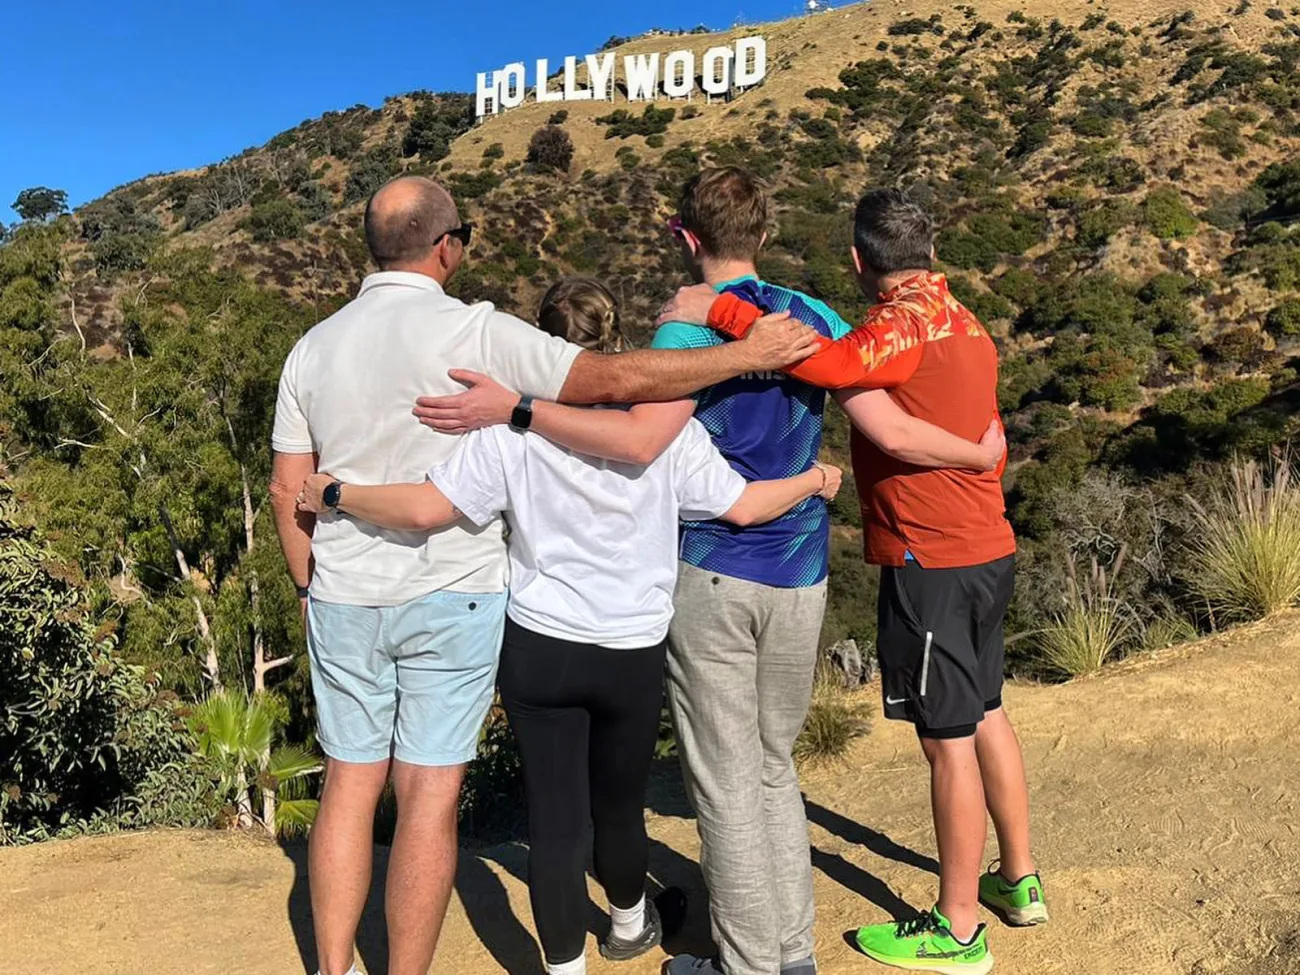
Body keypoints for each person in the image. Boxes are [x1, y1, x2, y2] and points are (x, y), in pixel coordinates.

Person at [413, 168, 1006, 975]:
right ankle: (789, 951)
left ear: (684, 237)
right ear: (763, 233)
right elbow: (882, 419)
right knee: (771, 769)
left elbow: (635, 444)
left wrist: (515, 408)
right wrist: (975, 448)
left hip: (716, 572)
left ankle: (748, 963)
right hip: (800, 576)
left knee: (725, 785)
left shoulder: (685, 336)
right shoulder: (819, 317)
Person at [267, 176, 821, 975]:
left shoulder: (312, 348)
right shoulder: (481, 334)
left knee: (350, 785)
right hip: (457, 594)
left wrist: (309, 586)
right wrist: (745, 353)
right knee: (429, 794)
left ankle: (333, 965)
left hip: (346, 592)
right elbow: (616, 385)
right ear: (448, 245)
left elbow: (291, 486)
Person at [658, 188, 1047, 975]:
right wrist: (979, 460)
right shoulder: (965, 322)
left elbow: (849, 381)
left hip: (927, 552)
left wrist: (722, 313)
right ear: (929, 251)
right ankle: (1020, 878)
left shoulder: (896, 325)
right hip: (984, 544)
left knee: (947, 743)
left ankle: (959, 928)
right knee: (987, 711)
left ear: (862, 260)